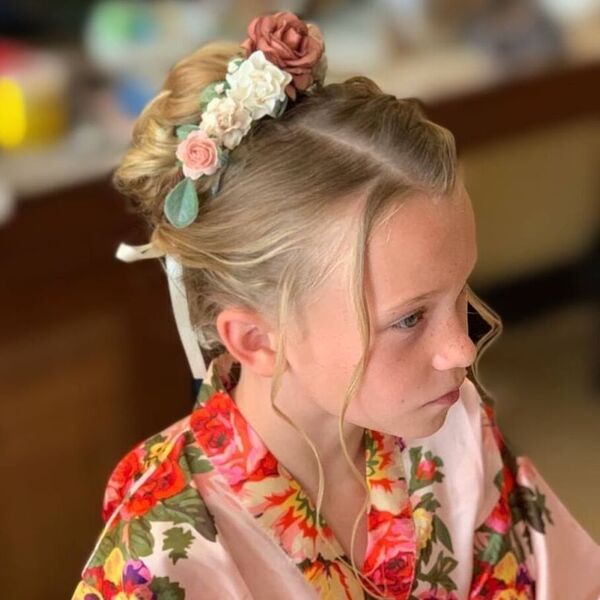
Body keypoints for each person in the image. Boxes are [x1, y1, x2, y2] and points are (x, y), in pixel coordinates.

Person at [71, 11, 600, 600]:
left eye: (460, 292)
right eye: (408, 318)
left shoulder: (450, 430)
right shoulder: (172, 546)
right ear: (257, 339)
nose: (461, 348)